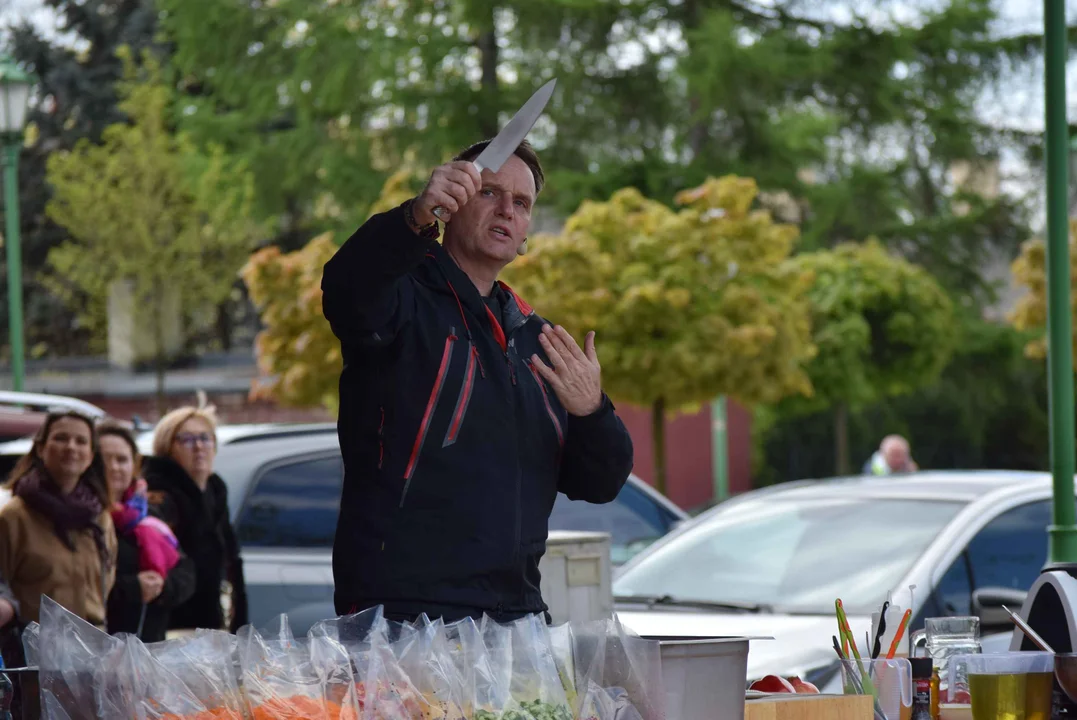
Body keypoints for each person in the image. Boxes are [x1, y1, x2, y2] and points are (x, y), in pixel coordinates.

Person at [321, 138, 635, 624]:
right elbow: (347, 288)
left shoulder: (540, 341)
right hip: (403, 617)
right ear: (454, 202)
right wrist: (413, 218)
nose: (507, 210)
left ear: (528, 231)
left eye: (522, 203)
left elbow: (599, 483)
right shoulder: (401, 298)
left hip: (519, 617)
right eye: (489, 193)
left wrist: (590, 411)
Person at [0, 411, 117, 627]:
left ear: (91, 456)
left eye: (81, 441)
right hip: (33, 648)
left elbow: (106, 583)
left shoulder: (99, 519)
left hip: (91, 647)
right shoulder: (14, 517)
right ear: (41, 449)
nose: (71, 447)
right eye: (61, 438)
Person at [143, 400, 248, 633]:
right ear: (168, 447)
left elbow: (231, 559)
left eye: (205, 438)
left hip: (214, 623)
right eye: (187, 439)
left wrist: (239, 623)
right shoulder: (158, 494)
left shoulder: (214, 489)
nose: (199, 446)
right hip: (174, 627)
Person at [99, 420, 196, 641]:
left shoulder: (149, 514)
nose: (114, 467)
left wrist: (162, 587)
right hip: (99, 646)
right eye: (104, 459)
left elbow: (186, 571)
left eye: (122, 460)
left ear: (134, 466)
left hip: (149, 647)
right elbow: (78, 585)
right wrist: (134, 588)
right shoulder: (83, 516)